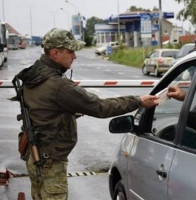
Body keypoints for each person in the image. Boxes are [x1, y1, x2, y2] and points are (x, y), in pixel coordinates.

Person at [15, 28, 158, 200]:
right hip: (50, 162)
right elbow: (101, 107)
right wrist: (138, 101)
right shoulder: (59, 85)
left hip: (34, 154)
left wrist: (69, 113)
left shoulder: (33, 76)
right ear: (55, 53)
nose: (74, 56)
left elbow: (43, 111)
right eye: (70, 51)